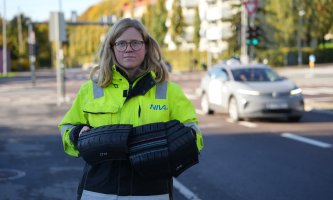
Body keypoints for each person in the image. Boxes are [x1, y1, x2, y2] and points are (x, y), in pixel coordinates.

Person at [58, 18, 204, 200]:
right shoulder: (90, 90)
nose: (128, 49)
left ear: (146, 46)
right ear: (112, 48)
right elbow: (67, 127)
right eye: (121, 44)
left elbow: (195, 134)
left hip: (152, 193)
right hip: (98, 192)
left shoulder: (169, 91)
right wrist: (77, 134)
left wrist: (168, 145)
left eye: (135, 43)